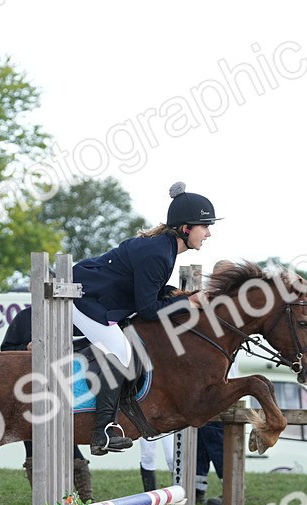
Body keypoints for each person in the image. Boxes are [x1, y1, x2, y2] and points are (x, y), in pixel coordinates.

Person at [72, 181, 216, 456]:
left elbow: (153, 292)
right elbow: (149, 309)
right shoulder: (159, 253)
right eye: (204, 227)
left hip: (101, 298)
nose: (208, 234)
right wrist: (187, 301)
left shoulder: (165, 248)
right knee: (122, 352)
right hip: (83, 299)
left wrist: (183, 296)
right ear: (186, 229)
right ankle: (102, 430)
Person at [0, 306, 93, 501]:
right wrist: (26, 348)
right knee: (32, 445)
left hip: (62, 391)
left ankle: (87, 501)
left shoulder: (70, 316)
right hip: (30, 394)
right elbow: (6, 350)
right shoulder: (25, 317)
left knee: (70, 443)